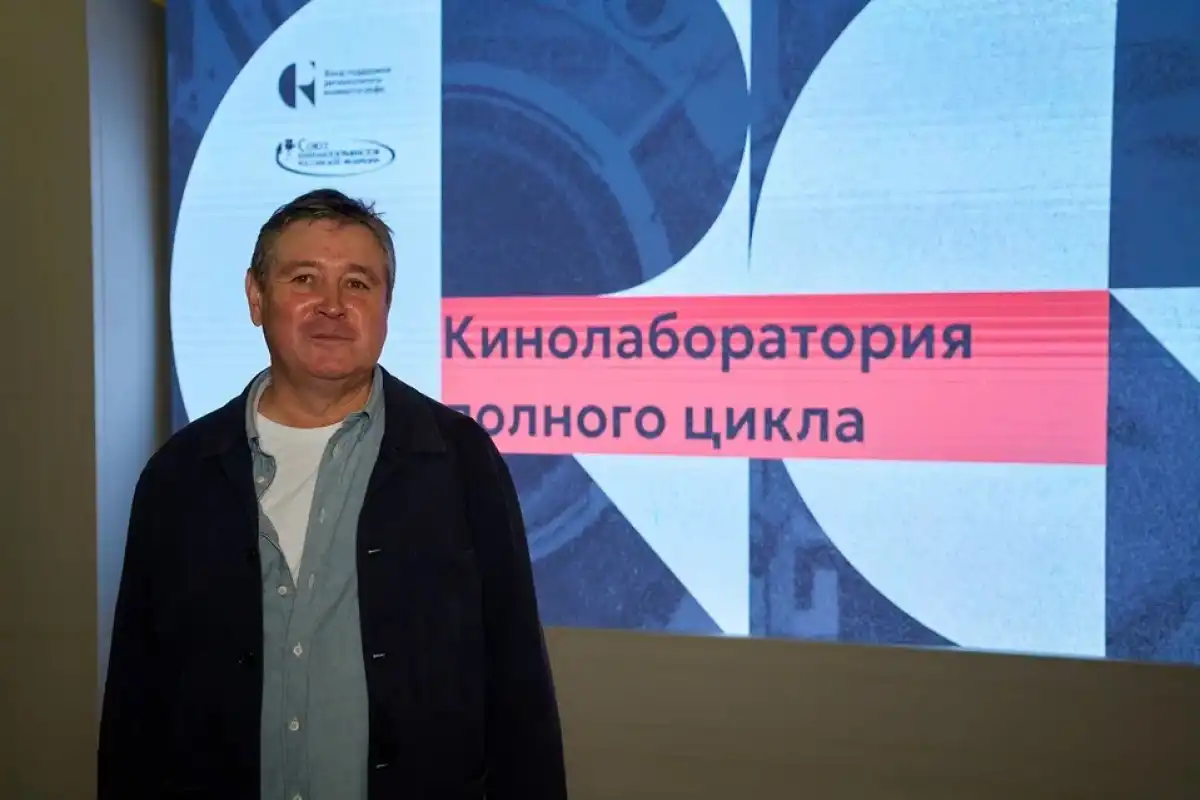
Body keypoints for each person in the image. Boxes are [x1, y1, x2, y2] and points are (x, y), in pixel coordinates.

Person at [98, 189, 568, 800]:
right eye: (304, 279)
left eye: (358, 284)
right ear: (255, 297)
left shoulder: (460, 461)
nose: (333, 306)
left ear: (386, 307)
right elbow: (136, 698)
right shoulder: (178, 476)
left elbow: (518, 683)